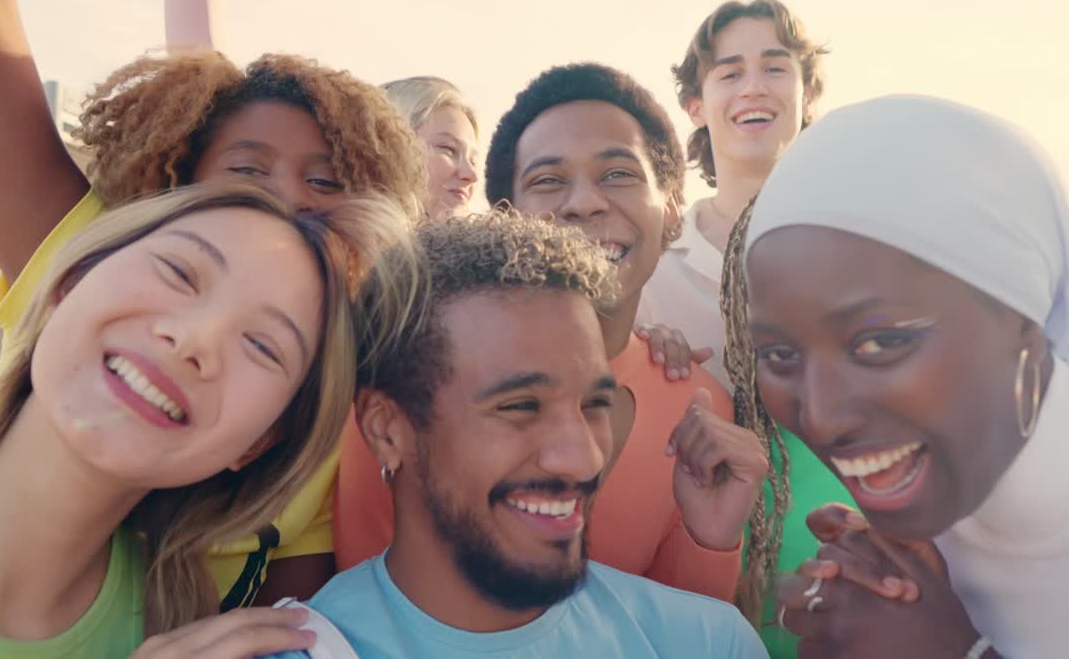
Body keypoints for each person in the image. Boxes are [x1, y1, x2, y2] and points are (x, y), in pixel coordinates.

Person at [0, 0, 427, 607]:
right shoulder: (100, 265)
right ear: (176, 179)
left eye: (323, 181)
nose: (282, 197)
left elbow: (287, 622)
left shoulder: (328, 380)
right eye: (246, 169)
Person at [0, 183, 419, 658]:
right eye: (179, 272)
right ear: (71, 281)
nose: (195, 340)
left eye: (261, 345)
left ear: (258, 444)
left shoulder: (178, 623)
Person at [335, 64, 768, 606]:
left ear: (673, 213)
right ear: (505, 218)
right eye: (547, 180)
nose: (583, 202)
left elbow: (684, 632)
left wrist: (713, 540)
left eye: (618, 174)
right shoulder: (410, 378)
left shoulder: (700, 407)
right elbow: (367, 615)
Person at [747, 95, 1069, 658]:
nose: (821, 415)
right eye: (780, 355)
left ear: (1022, 314)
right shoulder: (900, 556)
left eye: (882, 342)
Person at [308, 211, 768, 658]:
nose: (585, 459)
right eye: (520, 406)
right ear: (386, 429)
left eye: (595, 405)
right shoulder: (304, 648)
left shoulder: (711, 643)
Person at [632, 0, 853, 649]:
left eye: (774, 68)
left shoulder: (866, 241)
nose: (754, 87)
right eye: (729, 72)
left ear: (806, 90)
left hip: (850, 558)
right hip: (704, 578)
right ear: (696, 105)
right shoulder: (650, 270)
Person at [383, 77, 481, 219]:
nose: (471, 175)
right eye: (448, 149)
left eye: (473, 160)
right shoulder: (347, 238)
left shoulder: (498, 240)